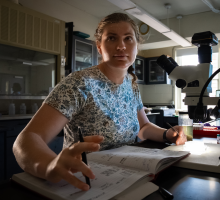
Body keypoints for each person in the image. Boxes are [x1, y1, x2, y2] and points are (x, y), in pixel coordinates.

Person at [13, 13, 187, 191]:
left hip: (129, 175)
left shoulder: (131, 84)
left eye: (128, 38)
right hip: (85, 180)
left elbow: (143, 127)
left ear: (137, 45)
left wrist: (168, 134)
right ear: (99, 46)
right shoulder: (78, 84)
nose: (121, 46)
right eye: (111, 38)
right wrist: (49, 167)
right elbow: (26, 140)